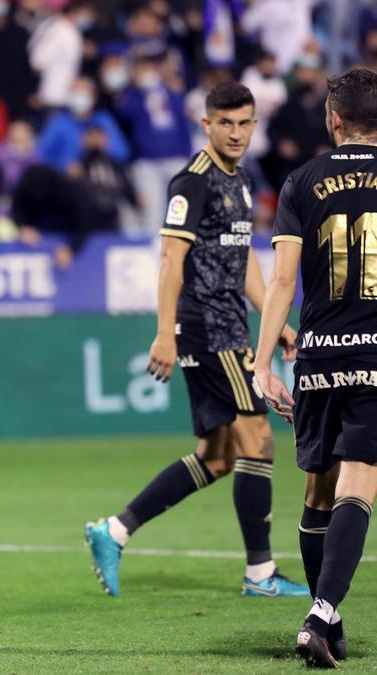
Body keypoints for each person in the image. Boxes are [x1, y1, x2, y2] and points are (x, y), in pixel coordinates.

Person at [83, 83, 309, 599]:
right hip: (208, 328)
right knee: (259, 441)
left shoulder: (243, 180)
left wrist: (277, 323)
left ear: (255, 125)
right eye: (225, 123)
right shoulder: (194, 181)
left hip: (230, 322)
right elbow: (170, 257)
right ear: (206, 124)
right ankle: (260, 574)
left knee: (217, 456)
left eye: (244, 123)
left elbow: (242, 256)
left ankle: (113, 531)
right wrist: (165, 331)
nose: (235, 133)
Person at [253, 67, 377, 668]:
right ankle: (321, 614)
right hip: (376, 350)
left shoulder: (301, 181)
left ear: (333, 117)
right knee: (361, 482)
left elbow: (281, 282)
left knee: (318, 491)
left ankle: (331, 619)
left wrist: (261, 362)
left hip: (320, 353)